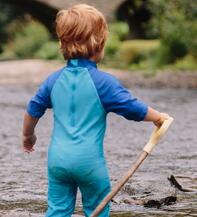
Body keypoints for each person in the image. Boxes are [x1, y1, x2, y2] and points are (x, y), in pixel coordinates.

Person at [22, 4, 169, 217]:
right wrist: (158, 117)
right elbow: (132, 108)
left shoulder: (53, 80)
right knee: (97, 208)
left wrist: (28, 135)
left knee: (58, 210)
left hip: (57, 162)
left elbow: (33, 108)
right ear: (99, 44)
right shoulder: (103, 83)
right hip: (89, 163)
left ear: (62, 43)